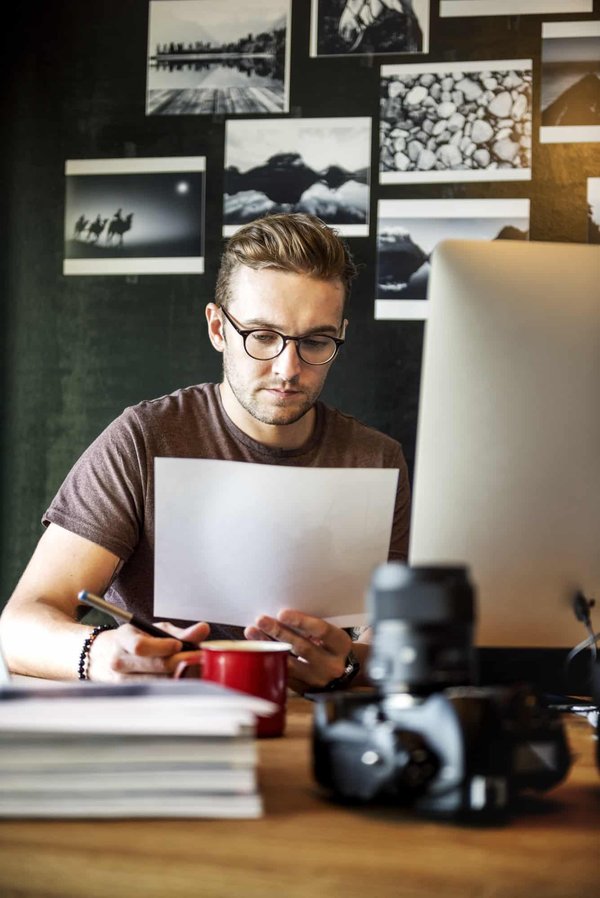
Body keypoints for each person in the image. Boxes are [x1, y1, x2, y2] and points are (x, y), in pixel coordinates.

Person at [0, 213, 410, 692]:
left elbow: (397, 648)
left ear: (339, 334)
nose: (288, 368)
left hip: (307, 724)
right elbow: (18, 627)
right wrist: (101, 653)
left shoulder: (376, 460)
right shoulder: (144, 439)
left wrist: (351, 667)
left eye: (315, 341)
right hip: (165, 723)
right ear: (218, 328)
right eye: (261, 336)